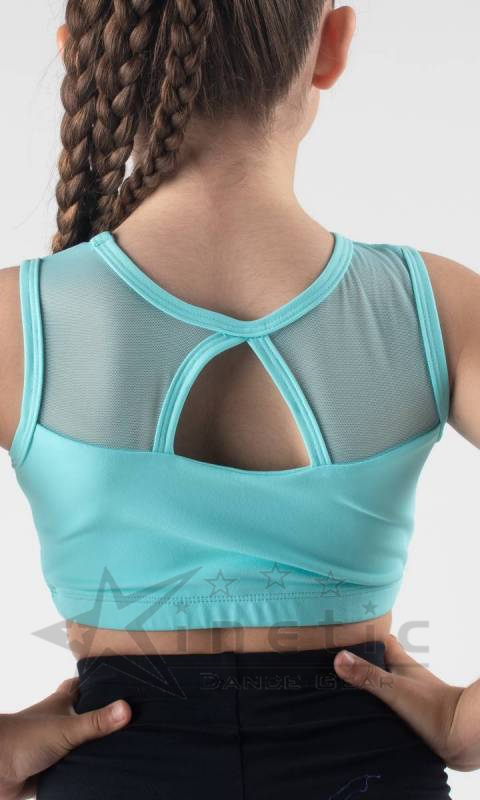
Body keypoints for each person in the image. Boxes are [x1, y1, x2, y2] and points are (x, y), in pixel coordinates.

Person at [0, 1, 479, 798]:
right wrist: (469, 721)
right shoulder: (434, 308)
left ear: (80, 59)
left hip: (117, 772)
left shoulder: (16, 323)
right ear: (331, 46)